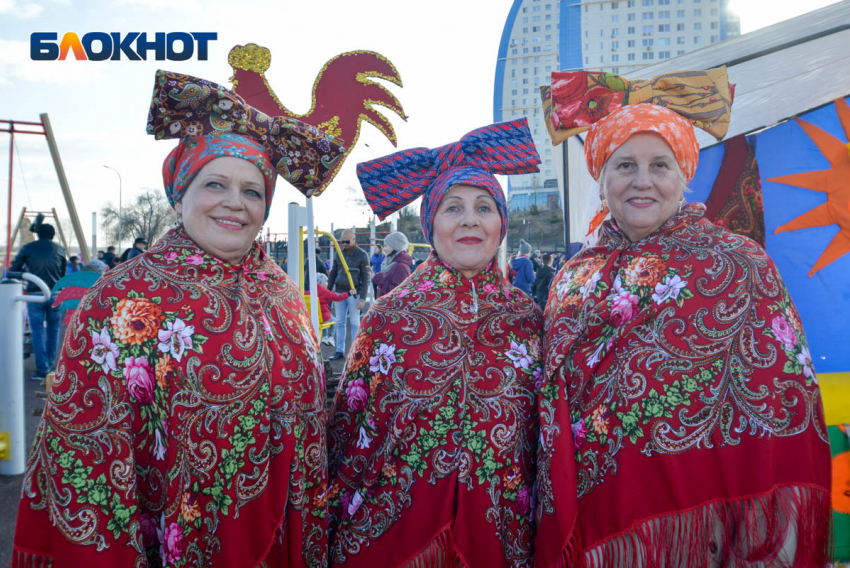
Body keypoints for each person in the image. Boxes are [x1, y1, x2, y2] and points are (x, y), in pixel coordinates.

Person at [13, 70, 344, 567]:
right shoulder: (121, 298)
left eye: (253, 192)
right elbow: (85, 451)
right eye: (216, 184)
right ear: (180, 193)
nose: (235, 202)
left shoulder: (282, 292)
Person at [534, 68, 831, 567]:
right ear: (602, 179)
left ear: (683, 175)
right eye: (624, 165)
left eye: (660, 165)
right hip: (599, 525)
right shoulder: (571, 279)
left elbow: (781, 400)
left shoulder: (738, 262)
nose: (642, 181)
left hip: (712, 530)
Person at [327, 118, 543, 566]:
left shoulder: (529, 319)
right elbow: (346, 432)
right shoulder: (387, 318)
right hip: (397, 534)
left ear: (501, 224)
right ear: (430, 224)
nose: (470, 220)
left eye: (484, 207)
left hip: (502, 538)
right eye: (453, 207)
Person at [9, 222, 66, 380]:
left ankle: (42, 369)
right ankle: (50, 365)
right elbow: (62, 273)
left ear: (37, 234)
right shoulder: (60, 249)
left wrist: (26, 274)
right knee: (53, 330)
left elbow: (13, 270)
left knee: (38, 331)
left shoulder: (27, 248)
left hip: (35, 293)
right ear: (53, 234)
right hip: (55, 293)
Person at [327, 228, 370, 360]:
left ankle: (354, 350)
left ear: (354, 240)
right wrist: (328, 292)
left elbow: (366, 277)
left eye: (347, 241)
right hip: (340, 291)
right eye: (342, 241)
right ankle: (340, 351)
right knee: (340, 322)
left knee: (355, 322)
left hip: (354, 293)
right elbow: (333, 272)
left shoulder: (362, 255)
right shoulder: (339, 253)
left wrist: (362, 298)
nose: (344, 244)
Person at [309, 272, 355, 346]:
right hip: (324, 317)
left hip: (314, 316)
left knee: (324, 320)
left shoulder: (310, 290)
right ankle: (331, 337)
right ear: (321, 282)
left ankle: (324, 336)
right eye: (326, 281)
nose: (327, 283)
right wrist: (348, 294)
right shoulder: (324, 291)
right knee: (334, 320)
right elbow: (337, 297)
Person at [372, 231, 412, 298]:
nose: (383, 249)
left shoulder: (400, 267)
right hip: (386, 306)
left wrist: (379, 279)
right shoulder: (391, 262)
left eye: (385, 246)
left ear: (394, 246)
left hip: (391, 307)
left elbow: (397, 292)